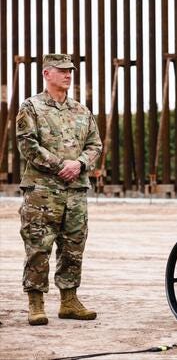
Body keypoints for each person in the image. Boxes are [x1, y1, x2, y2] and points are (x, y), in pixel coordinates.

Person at [16, 53, 103, 325]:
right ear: (47, 74)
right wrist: (58, 165)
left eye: (70, 71)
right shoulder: (31, 107)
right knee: (38, 246)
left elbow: (95, 145)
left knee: (73, 246)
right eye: (62, 70)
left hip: (75, 190)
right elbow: (27, 143)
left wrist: (78, 164)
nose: (68, 75)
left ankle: (69, 301)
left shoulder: (81, 110)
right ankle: (36, 303)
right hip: (42, 191)